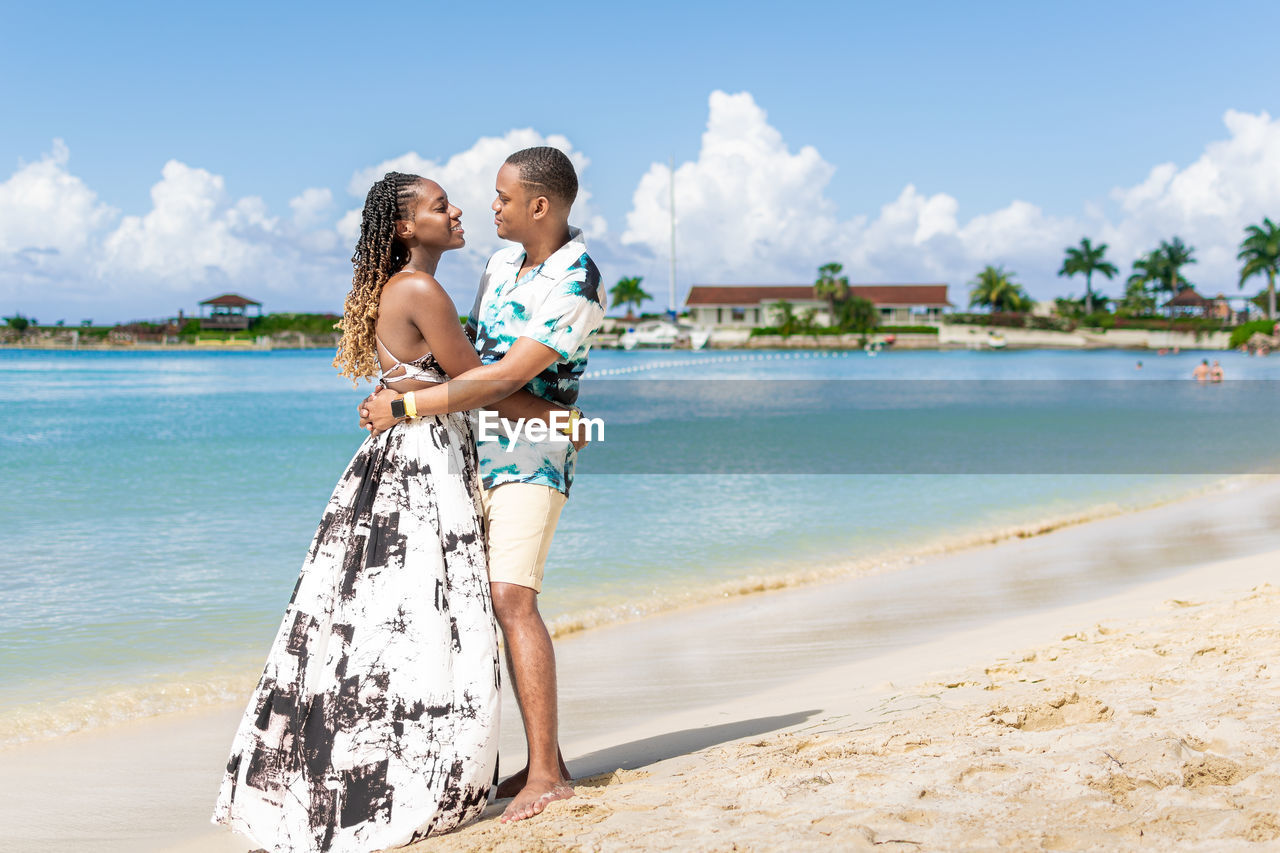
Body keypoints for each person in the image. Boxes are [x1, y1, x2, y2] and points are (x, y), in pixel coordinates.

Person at [212, 172, 573, 852]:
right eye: (441, 205)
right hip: (422, 463)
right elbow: (478, 386)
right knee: (422, 621)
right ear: (407, 227)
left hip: (404, 455)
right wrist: (570, 421)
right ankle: (419, 777)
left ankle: (379, 772)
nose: (458, 209)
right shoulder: (420, 289)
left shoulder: (403, 287)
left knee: (385, 626)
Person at [360, 146, 606, 824]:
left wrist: (406, 407)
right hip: (470, 450)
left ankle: (549, 774)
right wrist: (399, 374)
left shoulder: (577, 280)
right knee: (475, 604)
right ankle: (525, 757)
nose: (489, 207)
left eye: (501, 197)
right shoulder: (501, 264)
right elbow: (464, 355)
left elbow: (499, 378)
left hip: (534, 455)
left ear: (539, 206)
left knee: (512, 597)